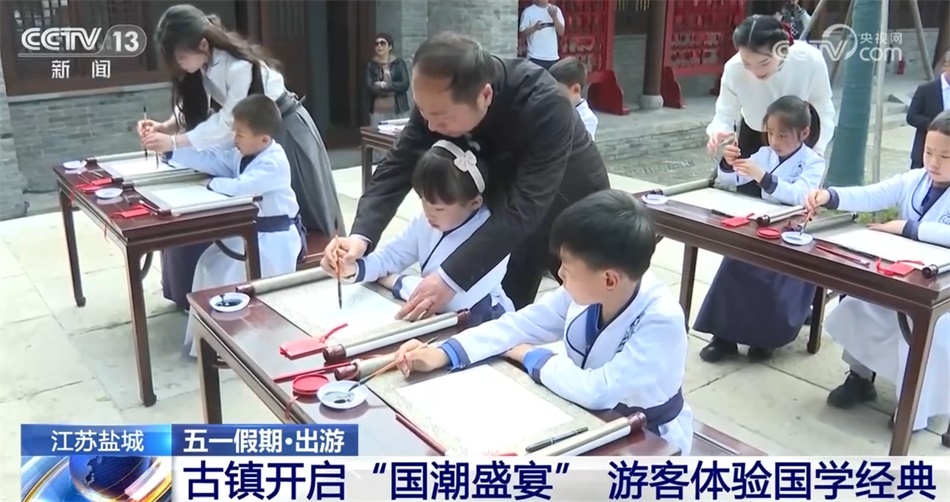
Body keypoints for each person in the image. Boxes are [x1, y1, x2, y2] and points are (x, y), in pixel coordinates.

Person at [324, 32, 610, 315]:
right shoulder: (438, 103)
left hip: (569, 214)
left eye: (441, 117)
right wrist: (359, 238)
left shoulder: (544, 104)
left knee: (593, 311)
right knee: (503, 319)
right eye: (423, 112)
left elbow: (526, 206)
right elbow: (399, 163)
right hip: (504, 223)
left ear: (485, 95)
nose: (430, 126)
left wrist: (450, 278)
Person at [391, 190, 694, 454]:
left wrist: (530, 355)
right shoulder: (586, 291)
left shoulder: (660, 319)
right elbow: (519, 325)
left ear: (609, 280)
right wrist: (443, 352)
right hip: (589, 418)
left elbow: (598, 391)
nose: (559, 274)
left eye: (568, 269)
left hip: (648, 440)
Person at [139, 4, 344, 310]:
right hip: (248, 135)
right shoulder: (204, 64)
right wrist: (166, 127)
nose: (180, 66)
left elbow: (227, 121)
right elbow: (197, 106)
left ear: (202, 44)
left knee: (295, 206)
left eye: (181, 58)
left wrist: (174, 142)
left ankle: (315, 279)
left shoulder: (238, 67)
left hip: (282, 131)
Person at [803, 110, 950, 431]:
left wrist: (907, 227)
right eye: (929, 152)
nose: (933, 162)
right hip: (904, 274)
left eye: (945, 156)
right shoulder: (915, 179)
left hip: (943, 292)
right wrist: (830, 196)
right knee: (860, 303)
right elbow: (872, 194)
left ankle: (914, 406)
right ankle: (860, 376)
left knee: (930, 329)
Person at [325, 140, 514, 326]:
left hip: (485, 321)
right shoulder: (425, 220)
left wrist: (394, 281)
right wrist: (353, 268)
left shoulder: (493, 233)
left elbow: (452, 301)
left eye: (439, 208)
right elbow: (391, 257)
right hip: (438, 317)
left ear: (474, 203)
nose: (429, 213)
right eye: (423, 201)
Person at [169, 94, 302, 356]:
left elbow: (241, 187)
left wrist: (211, 184)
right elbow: (216, 161)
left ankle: (239, 343)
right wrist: (172, 151)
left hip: (273, 241)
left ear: (263, 139)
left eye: (240, 134)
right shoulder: (245, 153)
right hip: (252, 234)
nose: (234, 139)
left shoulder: (273, 161)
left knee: (225, 275)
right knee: (207, 264)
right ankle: (211, 340)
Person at [695, 95, 825, 363]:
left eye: (783, 135)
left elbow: (801, 195)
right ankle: (723, 336)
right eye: (771, 133)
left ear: (804, 133)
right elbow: (732, 179)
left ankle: (764, 339)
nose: (775, 141)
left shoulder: (814, 161)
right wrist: (729, 162)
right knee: (735, 262)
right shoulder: (764, 154)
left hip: (793, 230)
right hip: (761, 222)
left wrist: (763, 177)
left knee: (770, 273)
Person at [707, 15, 836, 159]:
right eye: (747, 63)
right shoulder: (734, 68)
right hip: (755, 135)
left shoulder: (810, 60)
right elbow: (726, 112)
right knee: (746, 172)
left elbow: (822, 106)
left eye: (764, 63)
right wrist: (721, 131)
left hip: (796, 137)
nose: (757, 71)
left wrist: (818, 148)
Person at [906, 49, 949, 170]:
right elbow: (912, 116)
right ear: (945, 66)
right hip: (924, 152)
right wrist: (937, 126)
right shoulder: (926, 90)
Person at [366, 32, 411, 126]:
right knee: (378, 134)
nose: (379, 46)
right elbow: (370, 87)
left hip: (398, 108)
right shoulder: (371, 65)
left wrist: (385, 86)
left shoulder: (398, 63)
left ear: (390, 47)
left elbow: (405, 84)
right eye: (376, 44)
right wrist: (391, 87)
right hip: (378, 109)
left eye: (382, 43)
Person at [550, 57, 598, 140]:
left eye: (558, 92)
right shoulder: (553, 109)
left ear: (576, 89)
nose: (553, 95)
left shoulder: (588, 119)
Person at [519, 0, 565, 70]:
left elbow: (561, 32)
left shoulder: (556, 10)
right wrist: (535, 28)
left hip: (553, 57)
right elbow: (522, 33)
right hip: (535, 57)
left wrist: (554, 17)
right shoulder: (528, 11)